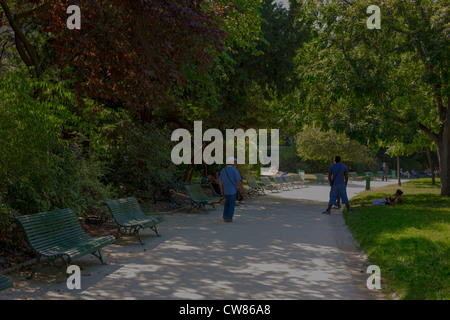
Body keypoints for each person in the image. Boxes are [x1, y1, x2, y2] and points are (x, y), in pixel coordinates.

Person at [218, 157, 246, 222]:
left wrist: (221, 188)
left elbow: (220, 180)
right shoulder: (234, 170)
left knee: (227, 202)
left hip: (226, 190)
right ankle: (229, 217)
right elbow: (238, 181)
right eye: (235, 162)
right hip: (233, 190)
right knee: (231, 204)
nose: (236, 163)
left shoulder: (223, 170)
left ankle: (225, 216)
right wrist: (241, 189)